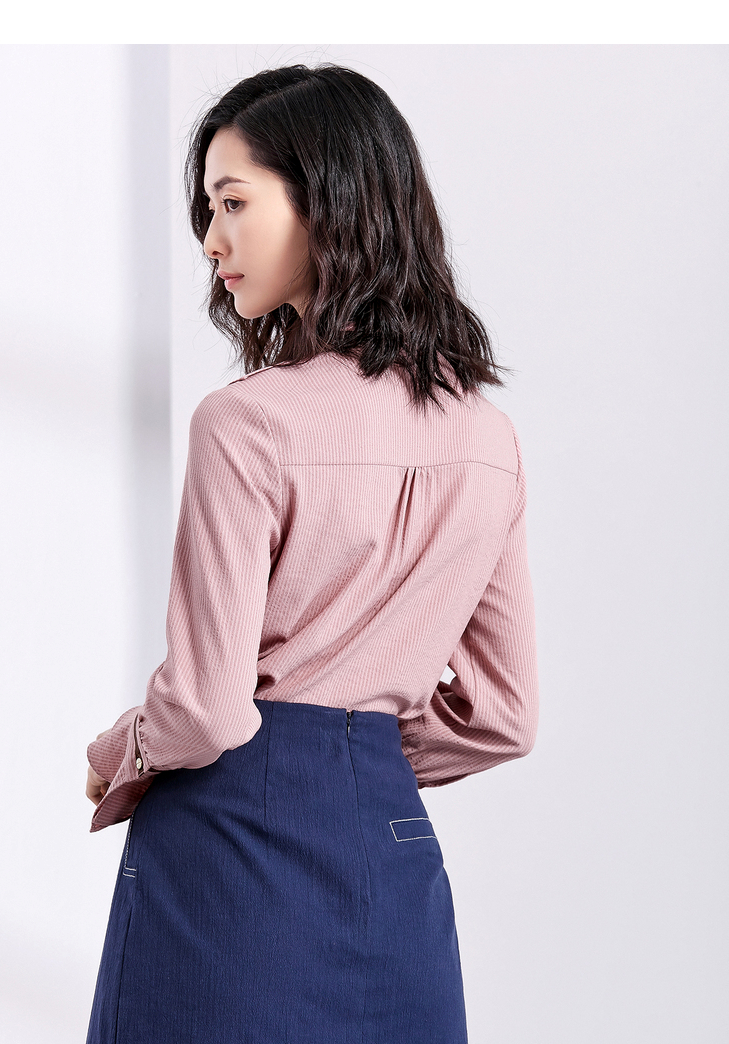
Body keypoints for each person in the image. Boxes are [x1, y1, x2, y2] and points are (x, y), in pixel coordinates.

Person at [84, 63, 538, 1044]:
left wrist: (125, 749)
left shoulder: (248, 423)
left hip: (234, 848)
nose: (211, 241)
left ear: (326, 200)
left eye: (233, 203)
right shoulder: (488, 438)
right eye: (208, 210)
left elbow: (208, 710)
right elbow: (504, 717)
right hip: (392, 852)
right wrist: (354, 759)